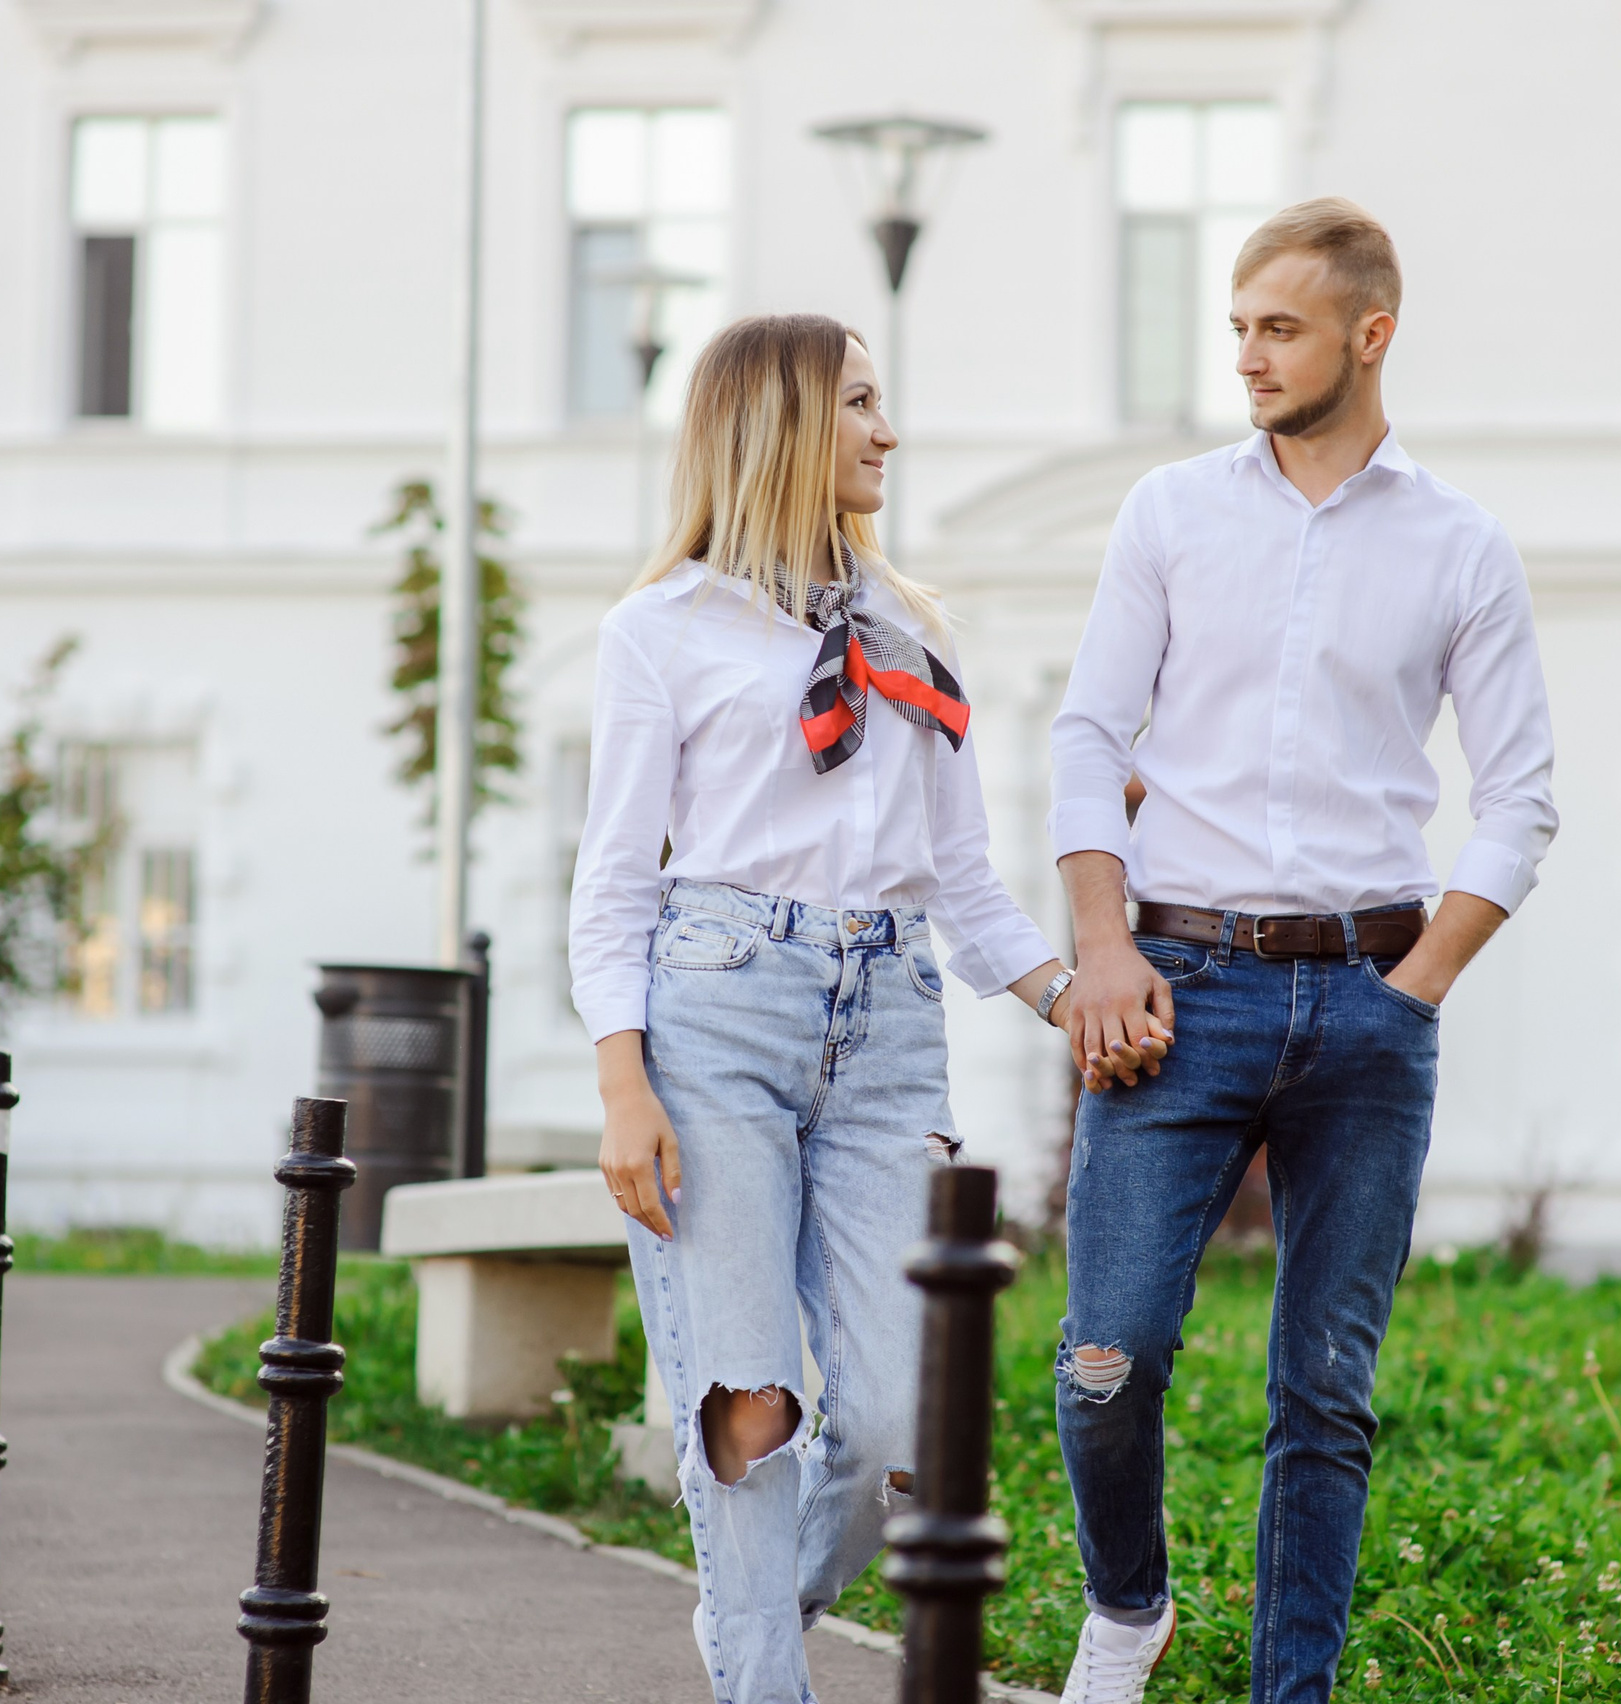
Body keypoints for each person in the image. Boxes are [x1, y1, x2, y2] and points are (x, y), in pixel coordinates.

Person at [1043, 199, 1559, 1703]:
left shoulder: (1462, 545)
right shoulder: (1170, 513)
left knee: (1324, 1394)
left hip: (1368, 1003)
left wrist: (1414, 995)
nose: (1250, 357)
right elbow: (1088, 735)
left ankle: (1294, 1693)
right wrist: (1100, 946)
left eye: (1280, 328)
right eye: (1240, 328)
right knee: (1105, 1362)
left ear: (1369, 335)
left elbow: (1520, 798)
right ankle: (1128, 1603)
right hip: (1174, 989)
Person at [568, 313, 1117, 1704]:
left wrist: (1075, 996)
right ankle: (764, 1675)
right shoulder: (660, 632)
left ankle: (747, 1618)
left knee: (889, 1424)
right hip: (715, 1014)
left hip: (890, 1022)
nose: (888, 431)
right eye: (861, 404)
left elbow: (965, 887)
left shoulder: (913, 638)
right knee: (750, 1403)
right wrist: (621, 1082)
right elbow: (617, 877)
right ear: (781, 427)